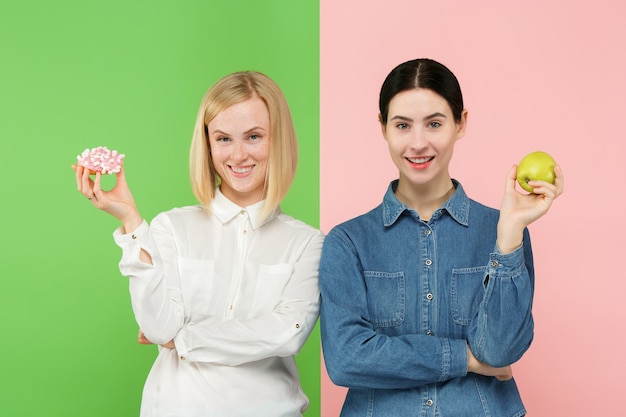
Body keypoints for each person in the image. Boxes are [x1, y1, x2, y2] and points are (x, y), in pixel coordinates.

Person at [319, 58, 564, 417]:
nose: (418, 143)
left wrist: (510, 233)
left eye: (434, 123)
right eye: (402, 125)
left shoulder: (503, 233)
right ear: (383, 127)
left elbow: (499, 351)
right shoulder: (348, 242)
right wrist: (466, 358)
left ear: (460, 123)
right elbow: (346, 359)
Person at [73, 71, 324, 417]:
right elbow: (159, 326)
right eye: (223, 139)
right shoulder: (171, 228)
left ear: (277, 140)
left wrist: (183, 339)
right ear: (206, 144)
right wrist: (131, 221)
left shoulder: (307, 243)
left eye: (253, 136)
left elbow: (286, 334)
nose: (238, 154)